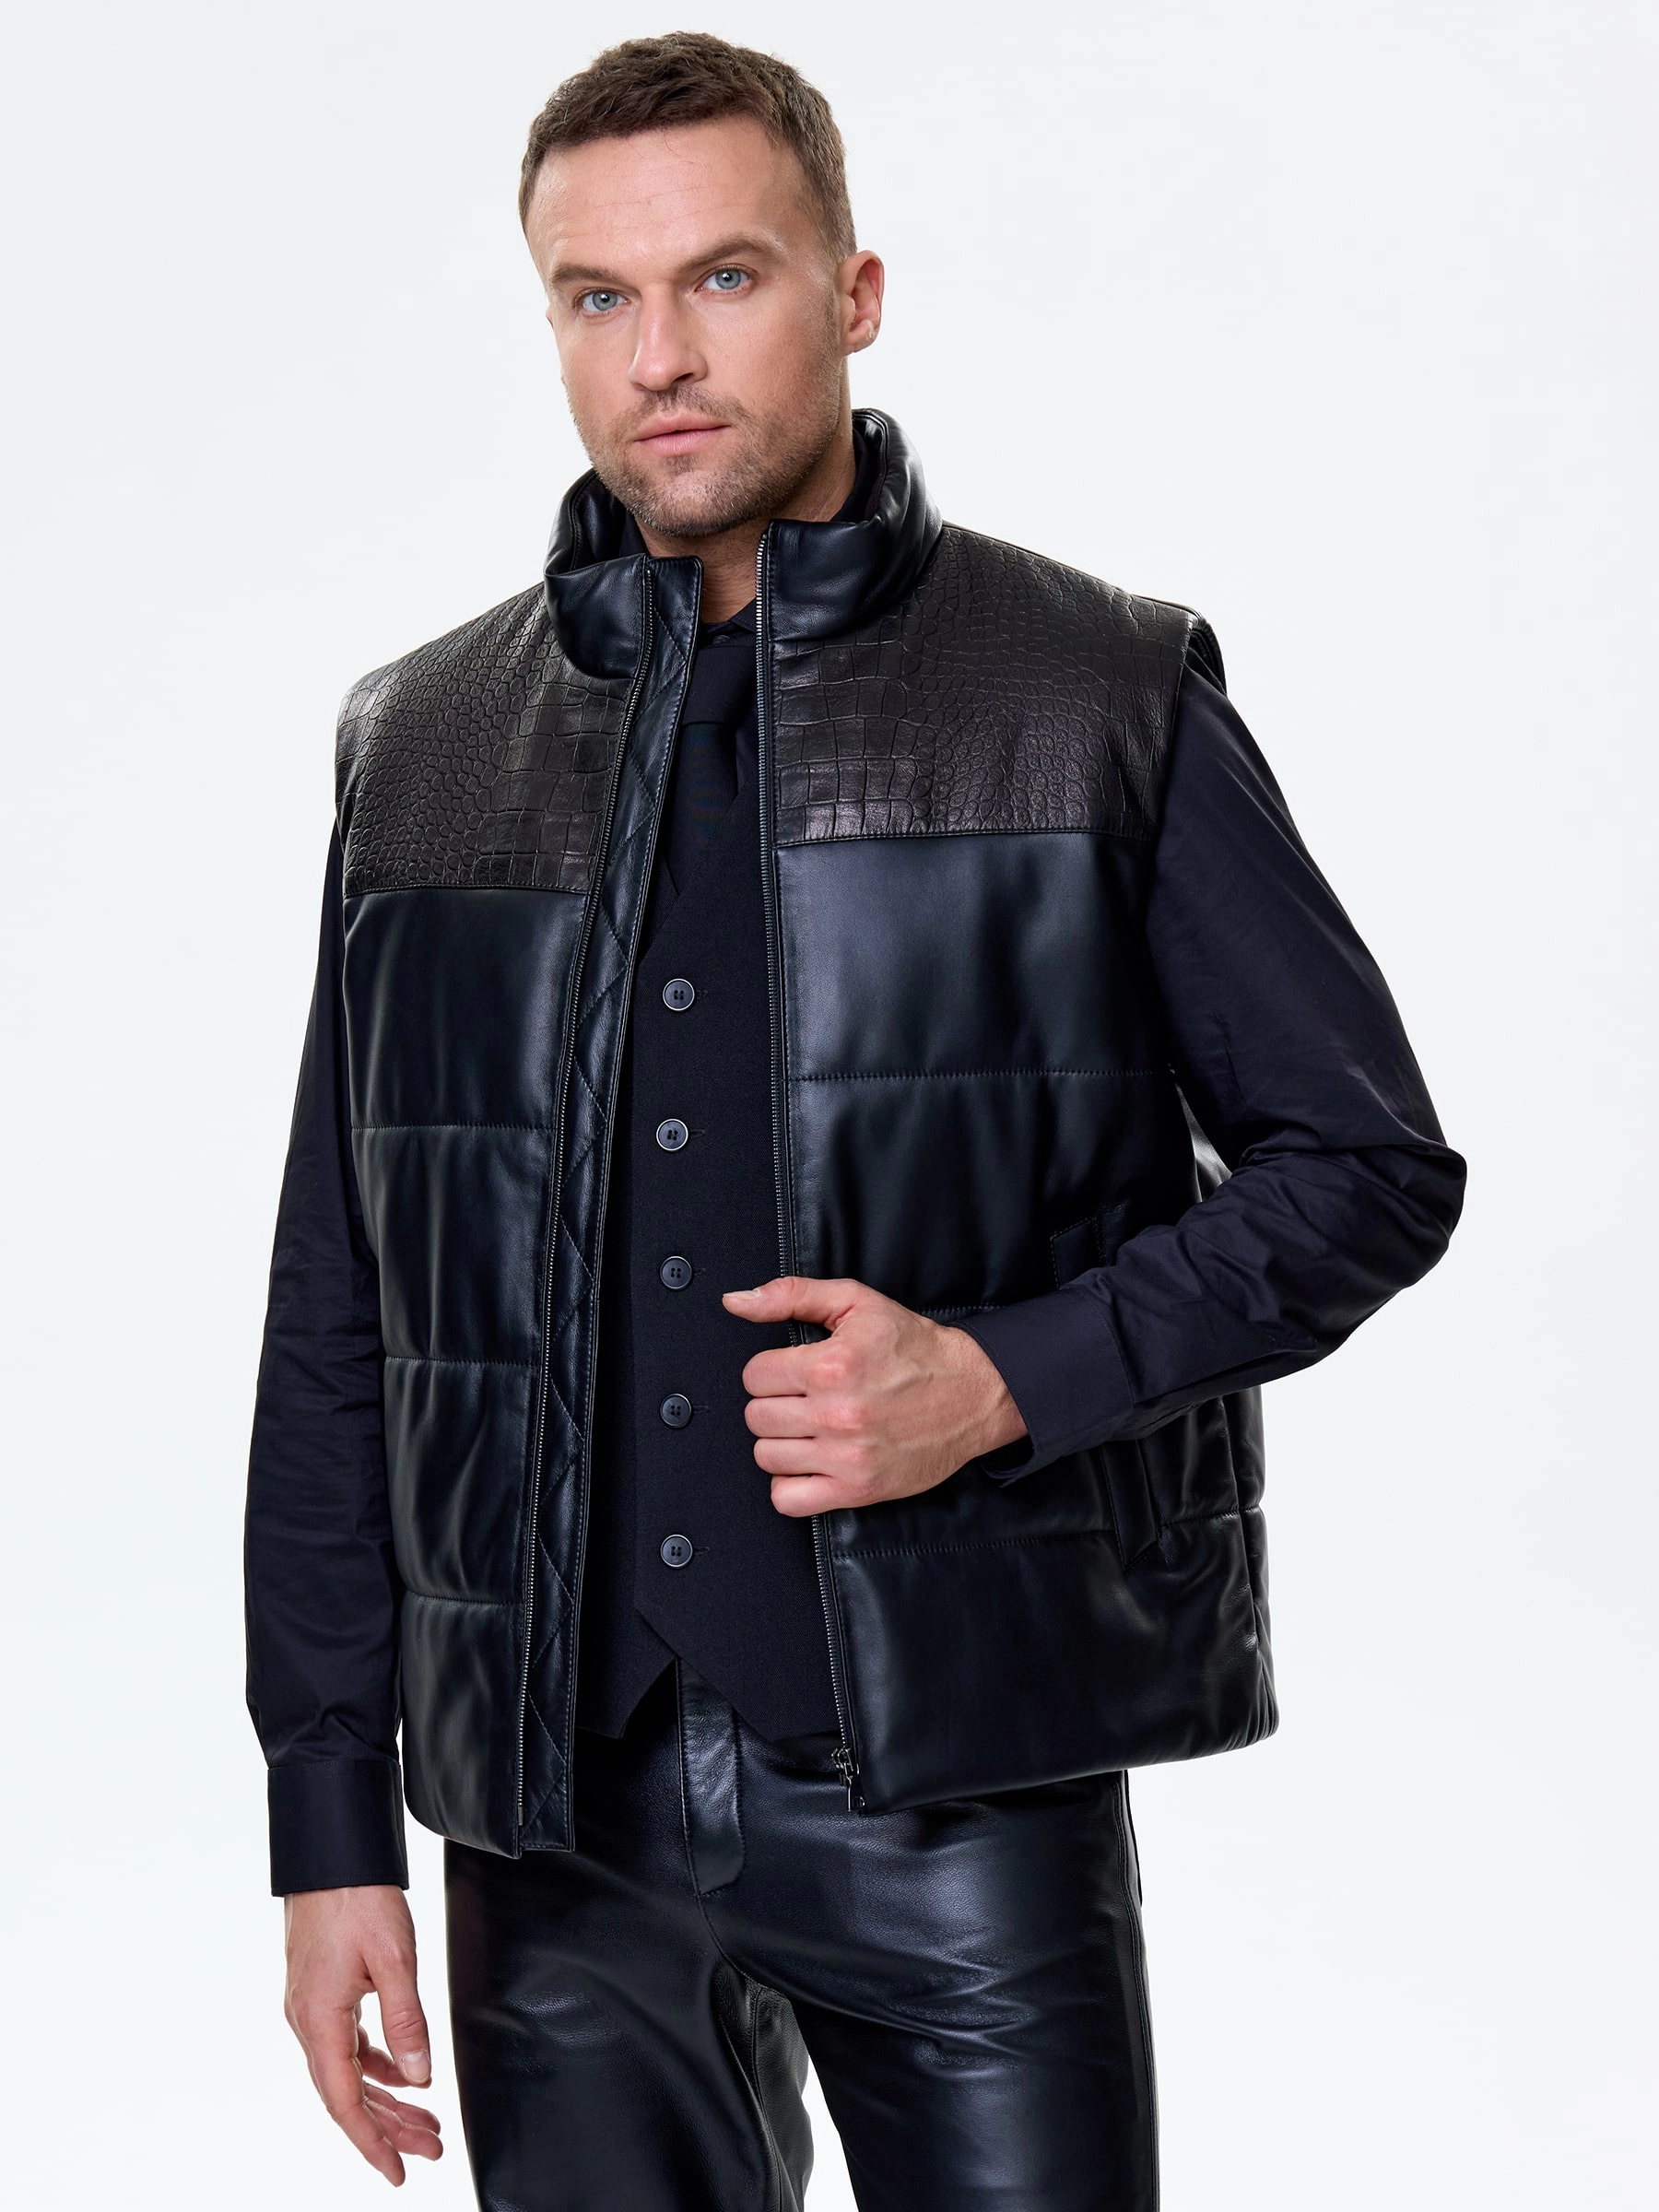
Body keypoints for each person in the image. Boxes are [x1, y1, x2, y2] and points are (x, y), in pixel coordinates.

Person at [245, 30, 1465, 2210]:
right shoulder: (419, 745)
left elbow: (1366, 1170)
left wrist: (1002, 1378)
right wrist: (329, 1827)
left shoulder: (1087, 694)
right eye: (597, 296)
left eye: (723, 277)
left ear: (854, 292)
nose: (660, 354)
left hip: (958, 1809)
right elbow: (347, 1314)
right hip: (549, 1838)